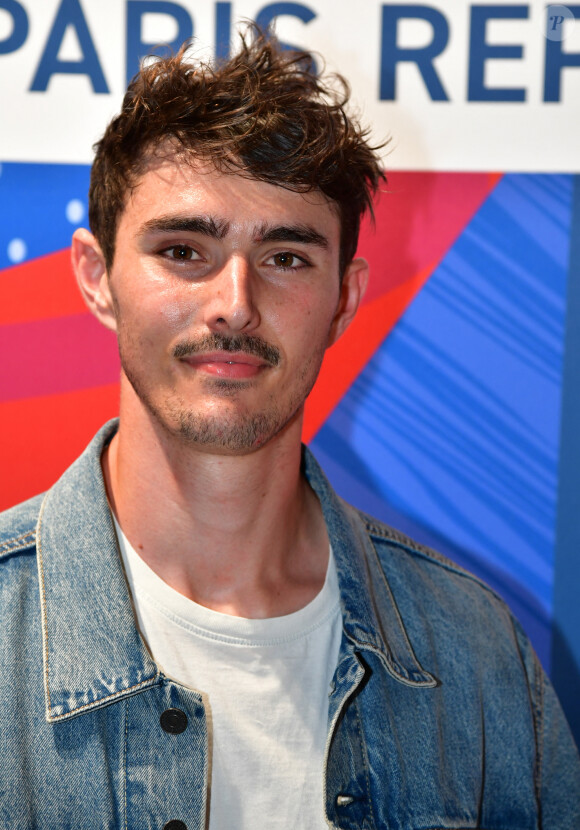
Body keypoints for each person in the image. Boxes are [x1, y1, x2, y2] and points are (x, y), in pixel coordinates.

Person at [0, 28, 578, 830]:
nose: (235, 302)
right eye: (183, 249)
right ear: (97, 280)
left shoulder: (478, 655)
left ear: (344, 298)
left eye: (286, 258)